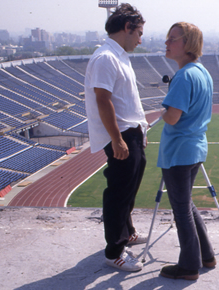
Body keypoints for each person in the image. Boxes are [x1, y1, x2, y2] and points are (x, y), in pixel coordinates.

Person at [84, 3, 148, 272]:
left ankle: (127, 232)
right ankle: (114, 252)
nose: (140, 39)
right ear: (127, 28)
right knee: (119, 194)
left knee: (130, 189)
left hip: (131, 131)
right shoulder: (106, 58)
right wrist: (117, 140)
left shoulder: (119, 56)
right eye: (139, 32)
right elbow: (103, 100)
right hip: (120, 134)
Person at [157, 21, 215, 280]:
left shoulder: (183, 76)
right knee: (187, 205)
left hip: (179, 151)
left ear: (187, 44)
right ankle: (206, 255)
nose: (167, 43)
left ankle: (189, 266)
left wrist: (162, 111)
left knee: (181, 210)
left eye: (172, 39)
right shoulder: (203, 72)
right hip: (195, 148)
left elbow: (172, 118)